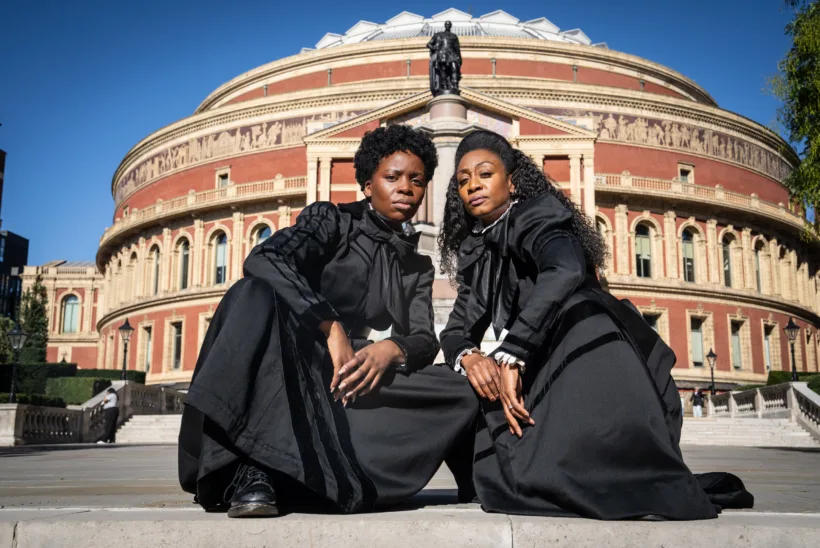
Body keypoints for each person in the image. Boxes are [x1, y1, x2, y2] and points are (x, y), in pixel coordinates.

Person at [437, 129, 752, 519]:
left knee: (581, 315)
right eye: (463, 180)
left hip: (593, 348)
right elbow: (454, 330)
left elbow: (565, 269)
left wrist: (512, 353)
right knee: (450, 383)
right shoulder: (478, 251)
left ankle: (598, 468)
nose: (473, 186)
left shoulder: (540, 216)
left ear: (512, 180)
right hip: (545, 359)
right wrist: (470, 358)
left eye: (485, 174)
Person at [178, 124, 478, 518]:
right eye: (392, 177)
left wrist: (392, 349)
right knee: (252, 294)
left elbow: (424, 338)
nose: (405, 188)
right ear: (368, 185)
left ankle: (472, 476)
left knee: (460, 388)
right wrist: (329, 325)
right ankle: (248, 469)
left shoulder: (415, 265)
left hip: (344, 373)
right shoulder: (331, 221)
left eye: (416, 181)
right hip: (286, 355)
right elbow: (265, 259)